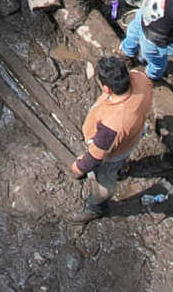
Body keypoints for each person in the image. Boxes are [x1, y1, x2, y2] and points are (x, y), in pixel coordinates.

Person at [69, 56, 152, 222]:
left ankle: (95, 208)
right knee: (123, 155)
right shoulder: (141, 78)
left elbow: (95, 156)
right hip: (133, 134)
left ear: (107, 89)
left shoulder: (111, 127)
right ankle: (122, 169)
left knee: (104, 182)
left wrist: (79, 167)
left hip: (113, 152)